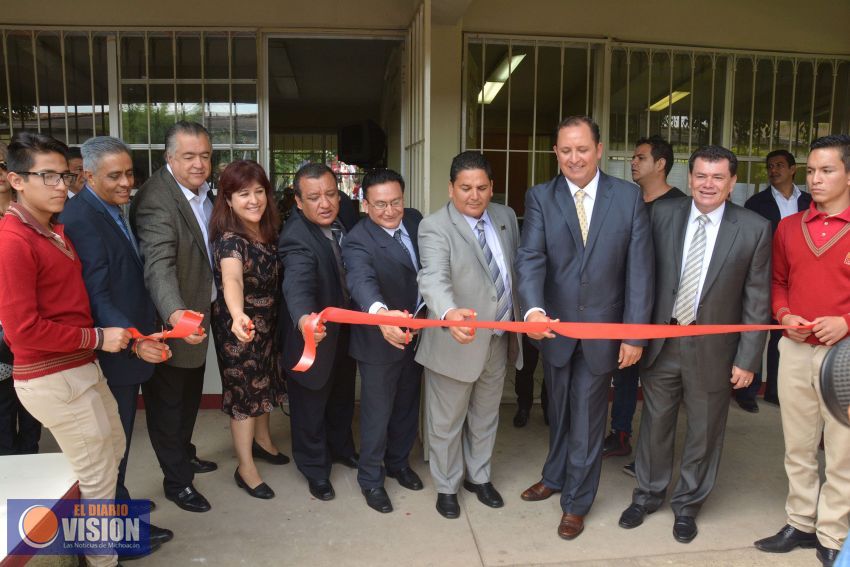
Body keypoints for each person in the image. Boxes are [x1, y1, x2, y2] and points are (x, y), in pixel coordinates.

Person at [618, 145, 771, 544]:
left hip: (714, 350)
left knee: (704, 431)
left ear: (732, 182)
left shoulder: (753, 227)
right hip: (663, 342)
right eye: (701, 175)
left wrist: (748, 357)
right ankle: (648, 494)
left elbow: (757, 299)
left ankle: (687, 505)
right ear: (689, 178)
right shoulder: (662, 215)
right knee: (654, 424)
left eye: (718, 177)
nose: (708, 184)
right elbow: (640, 275)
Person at [515, 115, 653, 540]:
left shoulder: (628, 198)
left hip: (602, 333)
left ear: (598, 149)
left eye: (582, 149)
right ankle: (555, 474)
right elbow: (531, 258)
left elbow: (640, 271)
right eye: (565, 150)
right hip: (553, 330)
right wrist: (532, 310)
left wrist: (633, 334)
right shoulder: (540, 196)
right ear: (555, 153)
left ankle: (576, 501)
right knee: (557, 410)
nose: (574, 158)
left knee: (590, 418)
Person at [0, 131, 130, 567]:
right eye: (47, 176)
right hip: (50, 375)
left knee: (111, 451)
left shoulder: (53, 230)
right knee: (96, 477)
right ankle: (101, 560)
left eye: (65, 176)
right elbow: (23, 330)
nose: (61, 186)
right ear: (16, 180)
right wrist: (97, 337)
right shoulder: (13, 241)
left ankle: (80, 549)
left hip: (80, 367)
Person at [59, 136, 174, 553]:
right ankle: (114, 544)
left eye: (130, 173)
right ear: (86, 175)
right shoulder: (81, 218)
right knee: (112, 450)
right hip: (114, 351)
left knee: (119, 446)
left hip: (130, 341)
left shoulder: (109, 208)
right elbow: (97, 296)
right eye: (115, 176)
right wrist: (135, 340)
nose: (127, 182)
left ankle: (121, 520)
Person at [754, 135, 850, 567]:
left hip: (845, 357)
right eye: (811, 171)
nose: (816, 178)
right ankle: (800, 521)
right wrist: (784, 312)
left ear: (848, 174)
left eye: (826, 170)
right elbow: (777, 281)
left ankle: (833, 533)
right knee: (798, 445)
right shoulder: (789, 228)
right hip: (793, 350)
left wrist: (847, 322)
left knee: (843, 449)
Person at [416, 151, 523, 520]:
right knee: (446, 422)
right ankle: (447, 486)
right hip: (455, 339)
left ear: (492, 187)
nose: (474, 195)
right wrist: (447, 312)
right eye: (465, 188)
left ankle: (479, 477)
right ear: (450, 188)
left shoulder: (506, 217)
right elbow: (432, 277)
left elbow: (514, 271)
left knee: (485, 415)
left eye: (481, 187)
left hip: (497, 337)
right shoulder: (434, 226)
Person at [129, 121, 218, 513]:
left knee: (188, 396)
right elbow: (158, 265)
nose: (199, 164)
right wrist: (175, 314)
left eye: (205, 155)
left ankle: (184, 452)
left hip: (200, 314)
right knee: (168, 405)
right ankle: (177, 482)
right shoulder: (156, 199)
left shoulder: (202, 193)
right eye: (188, 156)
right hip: (171, 322)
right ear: (169, 158)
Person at [341, 168, 425, 514]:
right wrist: (381, 314)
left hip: (418, 333)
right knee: (378, 412)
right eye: (379, 205)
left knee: (407, 403)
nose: (389, 211)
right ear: (365, 204)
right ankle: (371, 480)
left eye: (395, 202)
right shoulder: (358, 239)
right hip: (379, 339)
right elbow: (361, 281)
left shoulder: (418, 221)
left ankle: (399, 462)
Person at [606, 136, 687, 472]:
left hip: (662, 312)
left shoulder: (681, 206)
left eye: (640, 157)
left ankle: (649, 456)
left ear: (661, 163)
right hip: (626, 305)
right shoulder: (630, 202)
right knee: (623, 372)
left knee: (655, 382)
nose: (633, 163)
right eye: (633, 157)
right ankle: (620, 433)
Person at [278, 162, 358, 502]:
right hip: (313, 334)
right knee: (310, 404)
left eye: (330, 194)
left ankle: (341, 448)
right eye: (313, 197)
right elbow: (297, 284)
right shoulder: (296, 236)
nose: (324, 203)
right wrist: (305, 320)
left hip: (345, 332)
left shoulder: (347, 218)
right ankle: (314, 468)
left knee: (341, 395)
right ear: (298, 201)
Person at [209, 160, 287, 501]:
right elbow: (232, 279)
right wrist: (238, 314)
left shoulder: (268, 231)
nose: (254, 200)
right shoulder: (230, 239)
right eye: (244, 194)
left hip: (269, 324)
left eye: (259, 192)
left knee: (267, 381)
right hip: (239, 328)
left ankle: (264, 441)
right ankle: (245, 468)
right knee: (244, 394)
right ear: (228, 199)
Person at [736, 149, 812, 412]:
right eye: (769, 166)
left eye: (779, 165)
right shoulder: (756, 203)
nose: (773, 170)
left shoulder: (810, 202)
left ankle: (775, 392)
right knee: (756, 333)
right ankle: (746, 393)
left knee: (784, 337)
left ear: (793, 169)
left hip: (796, 281)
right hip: (762, 278)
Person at [0, 142, 42, 456]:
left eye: (2, 165)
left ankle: (30, 455)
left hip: (32, 328)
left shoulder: (34, 218)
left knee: (32, 408)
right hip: (4, 327)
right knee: (3, 408)